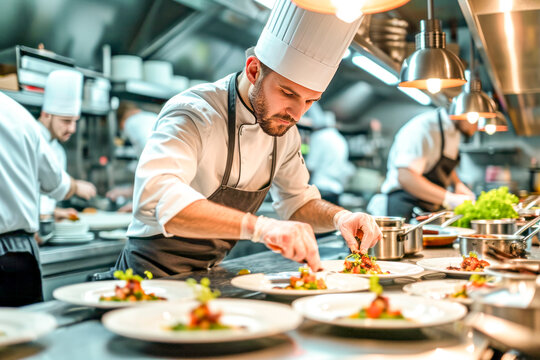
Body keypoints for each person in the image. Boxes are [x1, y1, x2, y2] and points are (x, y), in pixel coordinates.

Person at [115, 0, 382, 277]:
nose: (297, 114)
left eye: (310, 101)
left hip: (206, 275)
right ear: (254, 70)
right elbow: (158, 196)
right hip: (147, 279)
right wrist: (261, 227)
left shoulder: (285, 130)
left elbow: (297, 202)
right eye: (288, 94)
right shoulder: (193, 113)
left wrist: (341, 217)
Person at [0, 92, 77, 306]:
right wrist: (76, 186)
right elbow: (56, 185)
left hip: (16, 250)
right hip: (15, 251)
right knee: (24, 331)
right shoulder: (17, 114)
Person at [368, 107, 476, 221]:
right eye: (476, 119)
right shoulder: (423, 129)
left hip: (427, 206)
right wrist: (449, 198)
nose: (478, 126)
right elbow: (405, 177)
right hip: (404, 206)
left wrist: (457, 184)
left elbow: (439, 164)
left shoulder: (454, 130)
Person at [37, 69, 97, 221]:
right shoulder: (31, 140)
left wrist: (55, 212)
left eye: (75, 121)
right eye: (66, 121)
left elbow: (43, 199)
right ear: (46, 114)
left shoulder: (58, 151)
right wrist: (75, 186)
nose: (72, 129)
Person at [105, 101, 158, 211]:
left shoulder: (131, 122)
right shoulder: (150, 117)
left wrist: (140, 204)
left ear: (121, 122)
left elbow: (152, 164)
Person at [306, 106, 353, 205]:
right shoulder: (340, 139)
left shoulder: (319, 137)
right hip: (335, 191)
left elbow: (310, 166)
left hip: (320, 189)